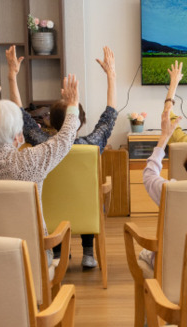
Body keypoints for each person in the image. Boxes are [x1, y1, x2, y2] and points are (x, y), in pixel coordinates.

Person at [7, 45, 119, 270]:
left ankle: (58, 251)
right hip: (85, 210)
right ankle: (88, 252)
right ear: (81, 121)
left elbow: (21, 116)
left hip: (51, 210)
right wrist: (111, 76)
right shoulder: (92, 144)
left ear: (50, 122)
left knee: (54, 197)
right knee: (88, 194)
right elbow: (109, 116)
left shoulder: (42, 145)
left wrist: (12, 77)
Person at [0, 76, 79, 230]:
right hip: (31, 244)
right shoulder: (31, 160)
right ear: (17, 136)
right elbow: (66, 137)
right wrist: (73, 105)